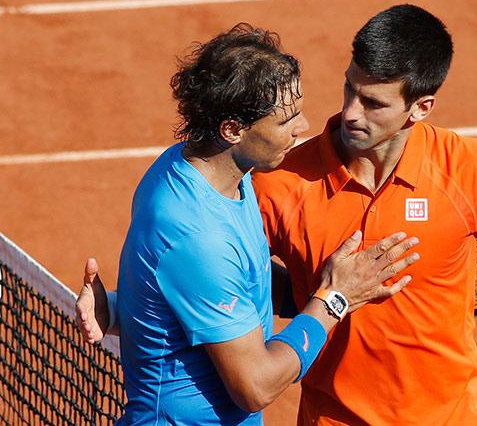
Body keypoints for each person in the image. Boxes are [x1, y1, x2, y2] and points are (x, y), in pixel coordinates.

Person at [79, 6, 477, 425]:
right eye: (349, 89)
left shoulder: (469, 168)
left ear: (421, 107)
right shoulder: (277, 177)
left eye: (375, 103)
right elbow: (219, 280)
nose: (351, 114)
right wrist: (338, 293)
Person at [76, 23, 421, 425]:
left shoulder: (204, 171)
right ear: (233, 130)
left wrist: (121, 311)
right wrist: (334, 299)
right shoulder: (199, 236)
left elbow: (210, 290)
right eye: (285, 119)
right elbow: (254, 386)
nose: (303, 127)